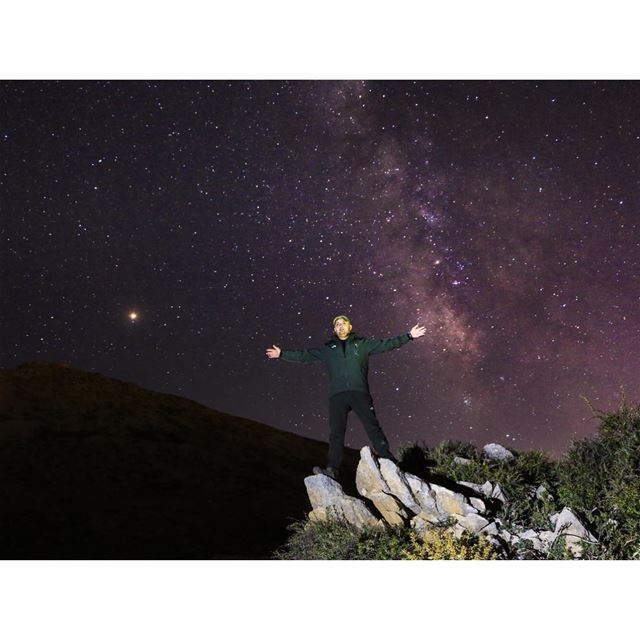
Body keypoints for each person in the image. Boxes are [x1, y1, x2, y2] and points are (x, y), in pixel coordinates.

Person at [265, 315, 426, 481]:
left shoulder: (362, 344)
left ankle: (389, 461)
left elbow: (386, 344)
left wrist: (408, 336)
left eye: (343, 323)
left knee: (372, 427)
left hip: (360, 393)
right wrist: (282, 354)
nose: (340, 326)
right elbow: (305, 355)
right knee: (336, 433)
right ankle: (333, 469)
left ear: (350, 326)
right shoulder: (328, 349)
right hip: (337, 396)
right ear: (334, 330)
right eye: (337, 325)